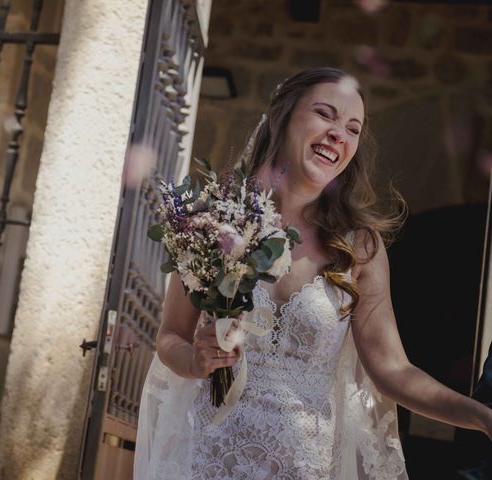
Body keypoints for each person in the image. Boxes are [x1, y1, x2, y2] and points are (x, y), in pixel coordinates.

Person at [134, 67, 492, 479]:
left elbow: (393, 370)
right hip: (210, 456)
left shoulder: (359, 248)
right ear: (282, 117)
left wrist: (481, 417)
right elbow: (171, 337)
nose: (340, 134)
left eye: (353, 128)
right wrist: (196, 361)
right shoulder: (215, 222)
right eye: (326, 114)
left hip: (302, 465)